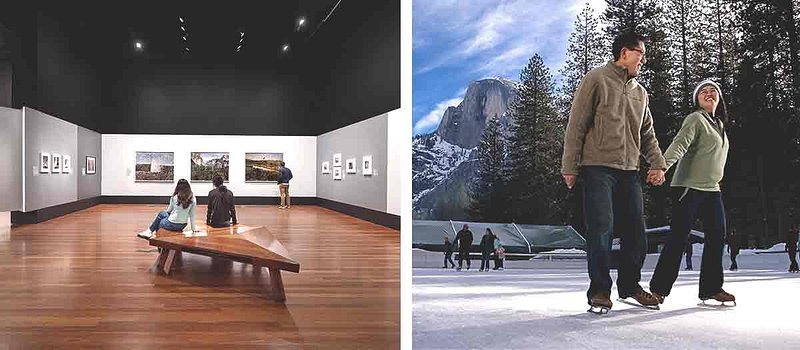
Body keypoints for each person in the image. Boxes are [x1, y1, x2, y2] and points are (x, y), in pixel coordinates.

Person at [561, 32, 666, 312]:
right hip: (597, 168)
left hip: (629, 170)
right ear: (625, 53)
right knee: (601, 228)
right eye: (640, 54)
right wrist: (570, 166)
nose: (643, 59)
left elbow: (647, 134)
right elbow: (577, 124)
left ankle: (630, 286)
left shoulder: (640, 93)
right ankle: (599, 290)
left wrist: (657, 163)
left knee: (636, 232)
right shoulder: (596, 79)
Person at [649, 79, 735, 306]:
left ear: (719, 98)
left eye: (713, 91)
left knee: (717, 237)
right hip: (688, 188)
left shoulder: (720, 126)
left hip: (712, 190)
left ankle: (711, 288)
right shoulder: (695, 119)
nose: (709, 93)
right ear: (696, 99)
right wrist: (661, 166)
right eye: (703, 92)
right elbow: (680, 144)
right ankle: (658, 290)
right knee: (679, 237)